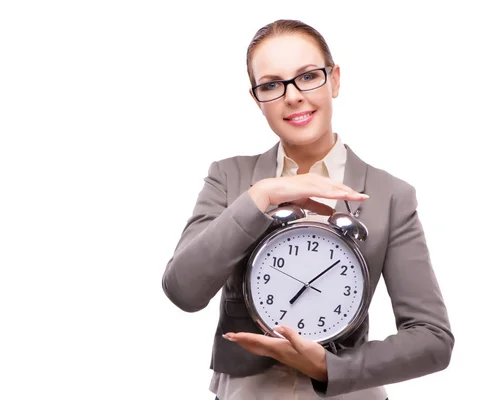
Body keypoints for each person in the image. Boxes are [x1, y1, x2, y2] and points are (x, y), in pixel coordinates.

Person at [162, 19, 454, 400]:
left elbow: (432, 341)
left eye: (308, 77)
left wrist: (326, 367)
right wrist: (264, 194)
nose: (293, 96)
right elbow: (183, 290)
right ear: (256, 98)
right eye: (271, 84)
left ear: (334, 79)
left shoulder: (389, 195)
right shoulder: (230, 178)